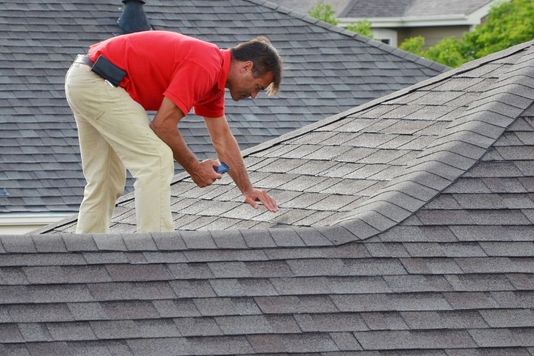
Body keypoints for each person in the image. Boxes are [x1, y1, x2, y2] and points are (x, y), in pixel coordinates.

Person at [64, 30, 282, 233]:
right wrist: (195, 168)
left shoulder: (213, 79)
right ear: (245, 67)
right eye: (258, 87)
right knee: (156, 159)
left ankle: (86, 250)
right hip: (100, 83)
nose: (254, 95)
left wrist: (247, 189)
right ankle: (157, 251)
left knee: (105, 181)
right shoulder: (205, 65)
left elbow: (222, 138)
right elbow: (162, 126)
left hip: (86, 79)